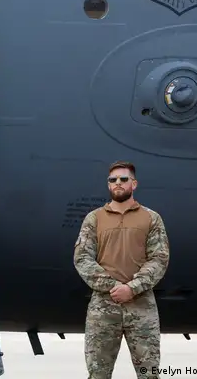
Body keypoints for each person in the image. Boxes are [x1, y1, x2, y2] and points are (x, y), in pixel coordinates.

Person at [73, 161, 170, 379]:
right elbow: (82, 258)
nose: (118, 183)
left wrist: (132, 288)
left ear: (133, 184)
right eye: (113, 180)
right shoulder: (94, 218)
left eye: (123, 179)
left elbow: (159, 259)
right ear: (108, 185)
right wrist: (113, 286)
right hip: (103, 306)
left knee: (149, 373)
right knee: (98, 374)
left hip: (141, 305)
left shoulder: (151, 218)